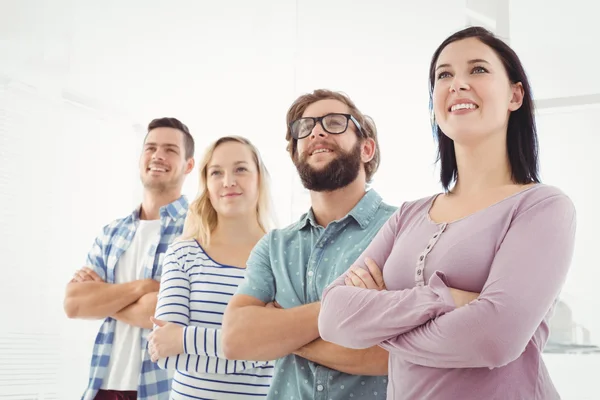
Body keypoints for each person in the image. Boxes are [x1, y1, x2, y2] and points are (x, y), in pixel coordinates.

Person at [318, 26, 576, 400]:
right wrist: (448, 299)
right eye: (444, 75)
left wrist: (377, 323)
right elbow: (333, 317)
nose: (457, 84)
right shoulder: (408, 215)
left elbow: (493, 338)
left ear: (515, 95)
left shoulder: (543, 208)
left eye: (478, 70)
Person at [222, 89, 395, 399]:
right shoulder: (274, 245)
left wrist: (278, 330)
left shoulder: (403, 229)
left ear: (366, 148)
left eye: (334, 122)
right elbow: (235, 339)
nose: (316, 130)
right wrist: (351, 308)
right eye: (305, 127)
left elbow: (391, 355)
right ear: (295, 154)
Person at [64, 118, 195, 400]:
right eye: (151, 148)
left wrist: (101, 299)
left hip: (159, 389)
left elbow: (160, 311)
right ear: (140, 158)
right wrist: (142, 287)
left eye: (170, 149)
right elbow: (74, 304)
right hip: (101, 385)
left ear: (189, 165)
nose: (158, 155)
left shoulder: (197, 230)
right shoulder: (112, 232)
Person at [146, 136, 276, 399]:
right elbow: (165, 353)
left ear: (259, 178)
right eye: (216, 172)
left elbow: (283, 349)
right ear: (206, 183)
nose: (228, 181)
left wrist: (184, 338)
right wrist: (255, 351)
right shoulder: (182, 254)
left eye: (240, 169)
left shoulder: (282, 256)